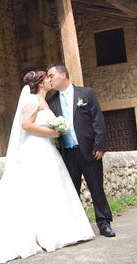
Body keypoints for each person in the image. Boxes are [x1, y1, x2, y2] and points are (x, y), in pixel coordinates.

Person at [0, 70, 95, 264]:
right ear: (40, 83)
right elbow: (26, 125)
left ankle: (58, 231)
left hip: (47, 151)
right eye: (47, 78)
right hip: (35, 150)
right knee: (38, 191)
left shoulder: (45, 101)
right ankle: (43, 234)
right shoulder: (32, 100)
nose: (50, 80)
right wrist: (53, 132)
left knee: (51, 191)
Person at [46, 64, 116, 238]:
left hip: (89, 150)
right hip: (67, 153)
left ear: (64, 75)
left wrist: (100, 145)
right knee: (71, 190)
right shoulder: (51, 101)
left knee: (96, 187)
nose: (50, 79)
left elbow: (97, 120)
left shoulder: (86, 94)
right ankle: (76, 226)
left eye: (52, 75)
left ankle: (104, 223)